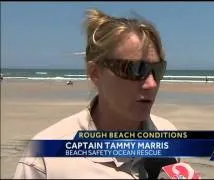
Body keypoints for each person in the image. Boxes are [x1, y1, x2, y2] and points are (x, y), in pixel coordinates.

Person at [14, 9, 177, 179]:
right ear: (96, 73)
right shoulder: (44, 158)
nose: (151, 84)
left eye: (157, 70)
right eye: (135, 69)